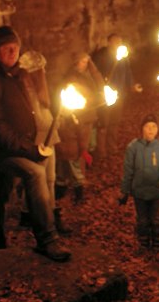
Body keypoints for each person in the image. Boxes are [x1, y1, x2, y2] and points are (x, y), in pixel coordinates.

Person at [0, 25, 70, 261]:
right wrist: (28, 149)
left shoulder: (17, 75)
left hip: (17, 143)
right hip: (0, 148)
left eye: (15, 47)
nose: (12, 52)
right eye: (6, 48)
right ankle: (48, 240)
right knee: (34, 173)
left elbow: (31, 108)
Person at [17, 50, 70, 235]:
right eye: (41, 69)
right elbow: (35, 117)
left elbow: (47, 111)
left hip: (49, 135)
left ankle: (32, 214)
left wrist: (59, 116)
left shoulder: (41, 88)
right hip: (39, 139)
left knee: (49, 178)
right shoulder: (25, 89)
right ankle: (48, 218)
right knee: (41, 179)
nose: (45, 72)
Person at [119, 114, 159, 252]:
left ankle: (156, 243)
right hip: (139, 191)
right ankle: (143, 243)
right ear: (142, 129)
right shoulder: (133, 147)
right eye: (147, 126)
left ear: (158, 129)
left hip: (155, 190)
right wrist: (125, 191)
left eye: (154, 126)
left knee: (155, 218)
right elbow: (128, 170)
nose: (151, 130)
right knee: (142, 219)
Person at [55, 52, 103, 204]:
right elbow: (87, 97)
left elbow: (100, 87)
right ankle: (70, 188)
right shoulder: (72, 79)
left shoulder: (89, 74)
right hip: (79, 118)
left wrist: (93, 69)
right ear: (76, 63)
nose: (85, 64)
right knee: (72, 159)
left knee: (78, 155)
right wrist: (91, 99)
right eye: (82, 61)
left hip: (86, 118)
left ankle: (70, 186)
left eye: (86, 61)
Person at [91, 33, 142, 161]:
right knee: (104, 122)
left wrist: (132, 85)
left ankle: (112, 147)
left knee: (114, 121)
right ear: (109, 42)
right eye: (115, 42)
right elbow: (95, 74)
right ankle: (101, 150)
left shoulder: (122, 56)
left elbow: (127, 71)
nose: (118, 44)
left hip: (120, 94)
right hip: (106, 95)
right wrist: (101, 87)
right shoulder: (101, 56)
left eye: (119, 42)